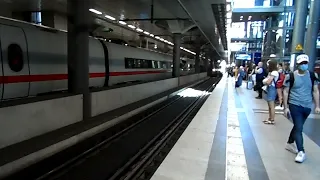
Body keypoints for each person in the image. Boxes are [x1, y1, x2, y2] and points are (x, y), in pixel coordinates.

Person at [283, 54, 320, 163]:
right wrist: (286, 107)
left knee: (297, 126)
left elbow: (315, 91)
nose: (304, 65)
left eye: (305, 63)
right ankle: (301, 151)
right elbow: (285, 91)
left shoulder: (313, 76)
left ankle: (289, 143)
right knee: (299, 128)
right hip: (294, 104)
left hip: (307, 106)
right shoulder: (291, 76)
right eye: (301, 63)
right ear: (298, 65)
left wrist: (317, 106)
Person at [262, 60, 279, 124]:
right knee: (270, 105)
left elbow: (269, 81)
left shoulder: (274, 72)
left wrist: (265, 82)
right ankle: (270, 118)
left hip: (272, 89)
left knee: (271, 105)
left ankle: (272, 119)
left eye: (268, 64)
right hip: (271, 88)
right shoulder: (272, 72)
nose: (267, 65)